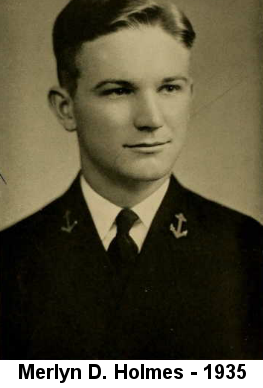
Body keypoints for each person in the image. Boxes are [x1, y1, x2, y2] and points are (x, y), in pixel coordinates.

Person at [1, 0, 262, 360]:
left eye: (169, 88)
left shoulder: (247, 251)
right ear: (66, 108)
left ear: (191, 95)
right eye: (118, 91)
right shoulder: (12, 259)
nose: (152, 119)